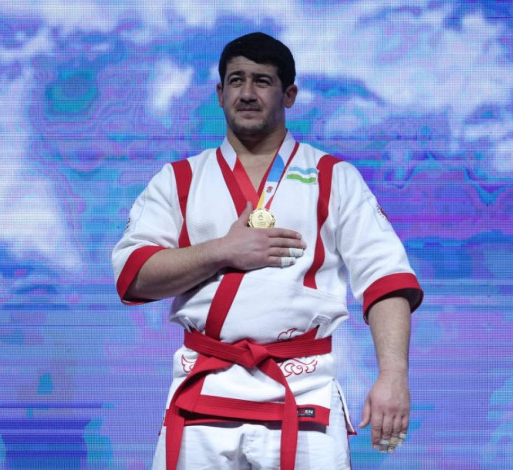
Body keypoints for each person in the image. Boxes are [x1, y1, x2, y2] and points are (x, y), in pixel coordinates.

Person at [112, 32, 423, 470]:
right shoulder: (179, 179)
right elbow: (132, 276)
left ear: (289, 95)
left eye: (262, 81)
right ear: (219, 93)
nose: (246, 92)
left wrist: (393, 376)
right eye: (236, 80)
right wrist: (222, 250)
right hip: (202, 392)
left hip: (303, 388)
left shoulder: (333, 177)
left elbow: (386, 279)